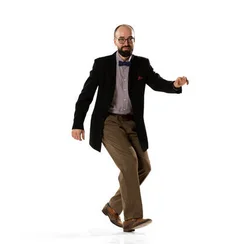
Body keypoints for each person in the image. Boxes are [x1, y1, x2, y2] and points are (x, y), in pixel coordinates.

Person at [71, 24, 188, 232]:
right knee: (129, 162)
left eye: (130, 39)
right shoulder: (102, 64)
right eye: (122, 39)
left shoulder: (142, 64)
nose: (126, 42)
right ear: (115, 41)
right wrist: (78, 123)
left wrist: (174, 85)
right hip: (108, 122)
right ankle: (132, 218)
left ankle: (113, 207)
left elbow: (157, 83)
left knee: (145, 166)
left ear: (134, 41)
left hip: (132, 122)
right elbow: (86, 95)